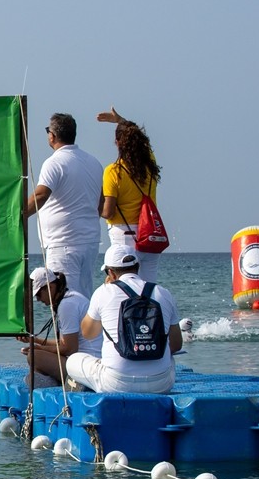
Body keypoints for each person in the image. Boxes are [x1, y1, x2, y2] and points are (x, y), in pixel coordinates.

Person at [65, 244, 182, 394]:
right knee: (168, 357)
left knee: (73, 360)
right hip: (160, 384)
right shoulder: (163, 292)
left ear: (110, 272)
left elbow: (88, 333)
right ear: (138, 267)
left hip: (116, 384)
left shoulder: (103, 292)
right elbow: (176, 344)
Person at [24, 112, 104, 299]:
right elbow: (100, 202)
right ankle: (86, 330)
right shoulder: (94, 162)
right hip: (89, 240)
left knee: (63, 297)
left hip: (63, 242)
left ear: (52, 135)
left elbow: (41, 194)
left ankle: (69, 330)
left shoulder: (54, 163)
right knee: (83, 297)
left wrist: (15, 215)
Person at [97, 106, 163, 282]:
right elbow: (144, 142)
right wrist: (121, 121)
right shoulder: (150, 166)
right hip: (149, 234)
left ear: (117, 143)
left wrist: (96, 201)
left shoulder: (113, 171)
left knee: (122, 287)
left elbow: (108, 212)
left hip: (124, 236)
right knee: (148, 287)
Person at [17, 267, 100, 386]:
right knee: (36, 358)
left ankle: (55, 383)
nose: (38, 300)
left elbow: (70, 349)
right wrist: (34, 341)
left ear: (50, 287)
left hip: (88, 367)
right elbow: (63, 344)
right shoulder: (69, 297)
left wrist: (38, 348)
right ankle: (53, 381)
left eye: (39, 294)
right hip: (88, 362)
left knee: (34, 356)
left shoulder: (67, 305)